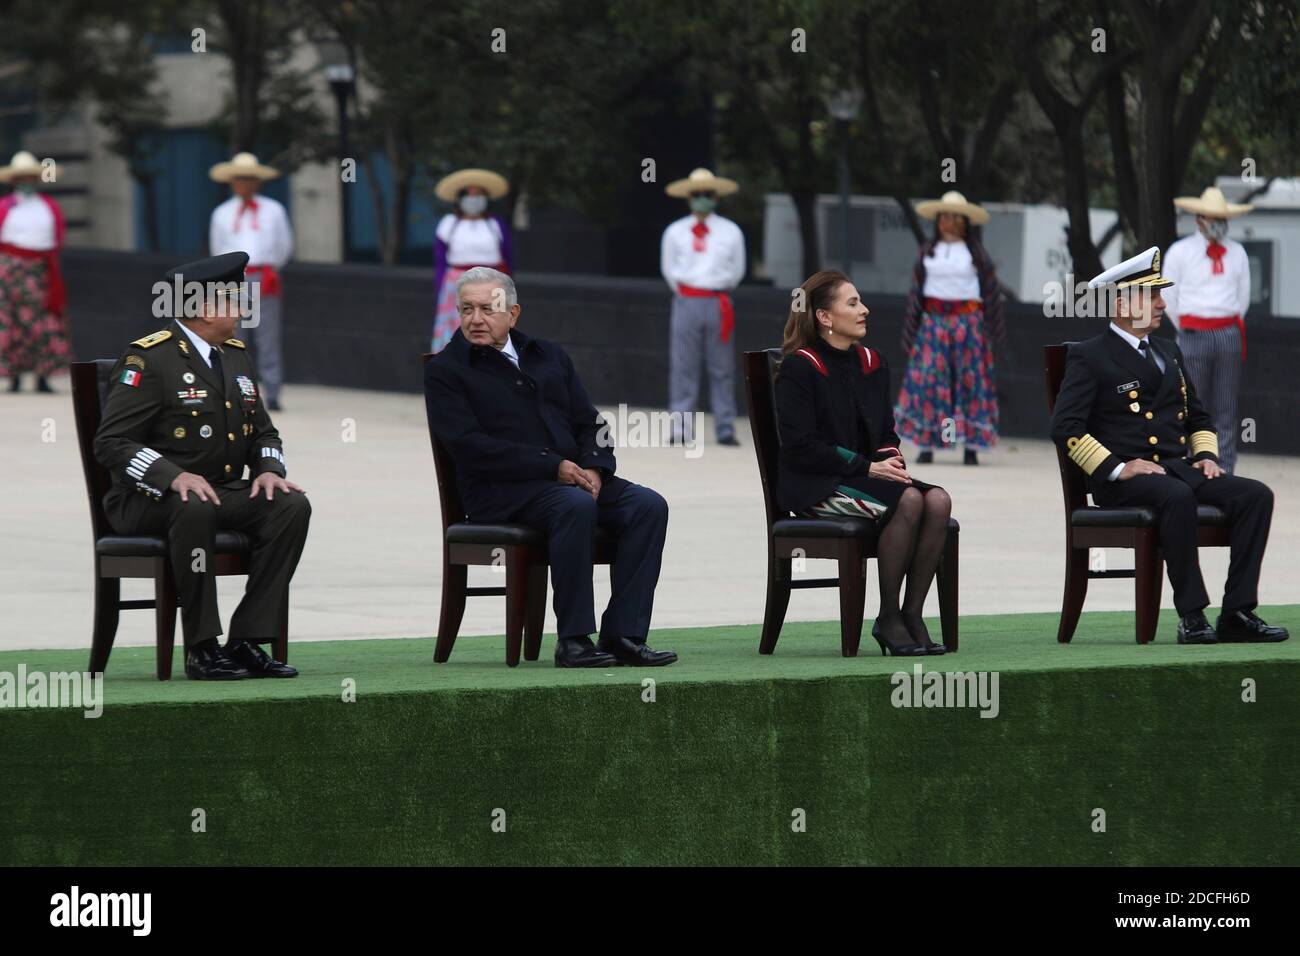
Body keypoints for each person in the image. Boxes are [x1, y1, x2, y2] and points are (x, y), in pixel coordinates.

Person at [424, 267, 675, 668]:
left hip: (570, 481)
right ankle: (574, 640)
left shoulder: (549, 355)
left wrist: (595, 468)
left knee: (647, 505)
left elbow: (591, 422)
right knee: (574, 507)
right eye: (466, 309)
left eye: (488, 309)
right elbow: (469, 447)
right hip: (501, 493)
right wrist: (554, 466)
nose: (475, 319)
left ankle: (624, 634)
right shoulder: (447, 370)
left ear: (514, 313)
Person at [1049, 247, 1286, 645]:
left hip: (1176, 470)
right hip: (1123, 480)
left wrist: (1208, 456)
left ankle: (1238, 611)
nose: (1162, 304)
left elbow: (1198, 417)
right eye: (1151, 295)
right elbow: (1065, 427)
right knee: (1175, 495)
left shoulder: (1167, 350)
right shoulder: (1090, 356)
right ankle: (1192, 616)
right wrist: (1119, 468)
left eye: (1160, 294)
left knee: (1255, 495)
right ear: (1122, 304)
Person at [94, 252, 312, 679]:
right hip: (147, 499)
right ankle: (202, 647)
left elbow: (265, 432)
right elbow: (111, 442)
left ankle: (247, 640)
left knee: (289, 506)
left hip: (217, 492)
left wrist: (269, 471)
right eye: (236, 300)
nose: (243, 308)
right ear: (208, 309)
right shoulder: (150, 359)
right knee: (193, 503)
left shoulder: (234, 354)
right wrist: (172, 477)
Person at [775, 269, 954, 656]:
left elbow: (886, 433)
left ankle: (912, 614)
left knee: (937, 500)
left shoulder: (874, 362)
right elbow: (800, 446)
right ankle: (888, 617)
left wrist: (892, 463)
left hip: (864, 477)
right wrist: (869, 468)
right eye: (853, 303)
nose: (864, 310)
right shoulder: (800, 367)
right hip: (815, 486)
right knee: (908, 501)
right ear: (824, 317)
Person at [895, 190, 1006, 465]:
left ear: (965, 222)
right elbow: (916, 292)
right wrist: (913, 327)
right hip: (933, 324)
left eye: (956, 217)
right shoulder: (927, 252)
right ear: (938, 220)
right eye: (945, 217)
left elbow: (990, 291)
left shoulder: (975, 253)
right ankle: (927, 445)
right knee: (930, 382)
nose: (950, 222)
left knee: (969, 382)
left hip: (967, 324)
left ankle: (970, 446)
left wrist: (992, 330)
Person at [1164, 186, 1254, 473]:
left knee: (1225, 407)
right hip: (1192, 332)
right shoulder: (1180, 252)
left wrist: (1223, 325)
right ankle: (1193, 465)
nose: (1217, 222)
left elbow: (1243, 298)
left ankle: (1225, 467)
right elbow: (1169, 299)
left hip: (1226, 332)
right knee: (1191, 404)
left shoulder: (1237, 252)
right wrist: (1189, 328)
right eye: (1211, 216)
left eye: (1221, 217)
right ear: (1199, 219)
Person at [661, 167, 746, 446]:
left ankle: (724, 427)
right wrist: (689, 292)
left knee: (722, 367)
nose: (702, 198)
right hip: (686, 299)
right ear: (688, 197)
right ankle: (680, 428)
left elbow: (737, 270)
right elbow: (669, 269)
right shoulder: (674, 231)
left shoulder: (730, 231)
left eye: (707, 194)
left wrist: (716, 290)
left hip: (717, 300)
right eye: (696, 194)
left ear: (716, 197)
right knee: (683, 365)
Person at [208, 152, 293, 411]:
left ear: (257, 182)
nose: (244, 184)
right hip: (235, 278)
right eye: (239, 179)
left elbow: (284, 246)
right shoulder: (222, 213)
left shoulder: (273, 210)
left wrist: (268, 269)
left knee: (268, 335)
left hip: (263, 275)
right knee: (233, 335)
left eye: (249, 179)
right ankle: (237, 389)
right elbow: (218, 247)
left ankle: (273, 390)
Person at [0, 150, 72, 392]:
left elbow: (58, 238)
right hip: (10, 270)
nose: (26, 183)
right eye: (22, 178)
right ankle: (14, 376)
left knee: (45, 323)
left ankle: (44, 376)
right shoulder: (5, 207)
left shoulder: (48, 207)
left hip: (41, 271)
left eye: (30, 178)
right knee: (10, 322)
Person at [431, 168, 513, 353]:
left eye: (479, 195)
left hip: (492, 283)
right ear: (460, 199)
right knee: (458, 328)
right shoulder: (449, 224)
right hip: (457, 284)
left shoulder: (495, 224)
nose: (474, 199)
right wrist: (440, 290)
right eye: (470, 195)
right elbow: (440, 261)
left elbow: (507, 256)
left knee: (493, 327)